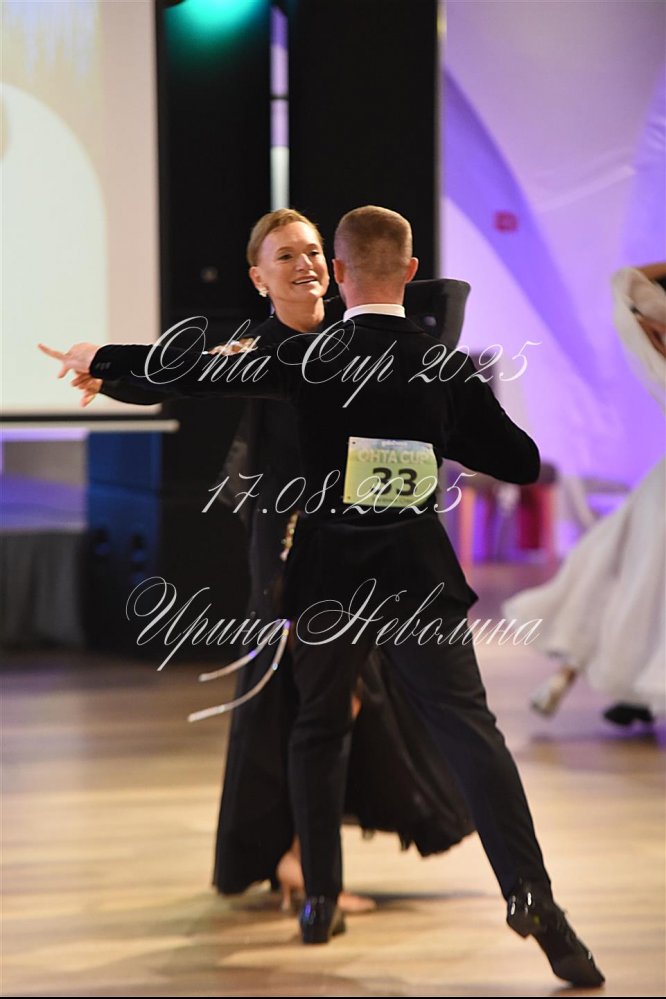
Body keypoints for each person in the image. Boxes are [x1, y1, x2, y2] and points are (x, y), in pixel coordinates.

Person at [39, 206, 604, 987]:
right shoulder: (443, 366)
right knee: (472, 734)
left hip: (328, 578)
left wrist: (100, 355)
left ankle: (320, 897)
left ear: (338, 273)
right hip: (416, 576)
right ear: (410, 272)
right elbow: (521, 460)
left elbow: (196, 368)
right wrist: (445, 425)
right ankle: (532, 895)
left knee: (317, 724)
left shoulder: (307, 356)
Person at [69, 208, 475, 912]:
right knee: (316, 696)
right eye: (285, 256)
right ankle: (300, 861)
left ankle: (303, 857)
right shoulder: (257, 348)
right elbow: (177, 373)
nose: (304, 264)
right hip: (291, 542)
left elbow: (443, 305)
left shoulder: (359, 333)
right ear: (259, 279)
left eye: (313, 251)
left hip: (368, 541)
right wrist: (105, 373)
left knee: (345, 695)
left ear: (335, 266)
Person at [506, 263, 666, 725]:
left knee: (614, 573)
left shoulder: (653, 346)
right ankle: (619, 686)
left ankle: (579, 676)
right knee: (626, 579)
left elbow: (626, 284)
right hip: (657, 492)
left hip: (658, 491)